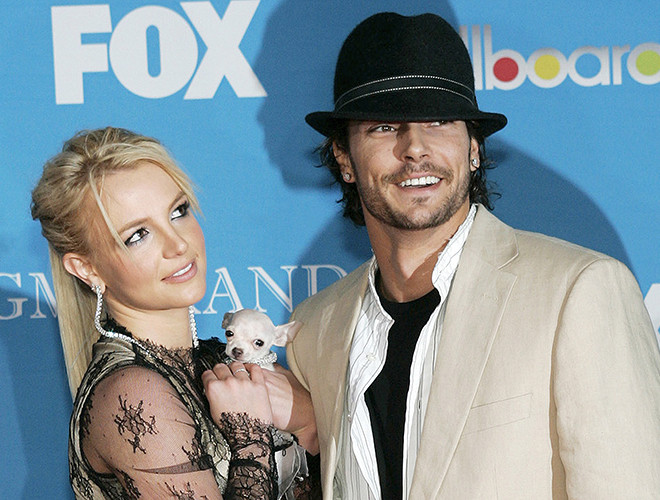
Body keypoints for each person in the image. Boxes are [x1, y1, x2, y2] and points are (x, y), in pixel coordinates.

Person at [286, 12, 660, 499]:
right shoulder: (315, 328)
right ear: (344, 158)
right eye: (384, 126)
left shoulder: (579, 290)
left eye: (439, 121)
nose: (415, 148)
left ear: (474, 148)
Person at [31, 127, 315, 499]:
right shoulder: (134, 394)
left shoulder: (217, 358)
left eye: (178, 211)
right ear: (87, 269)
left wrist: (309, 420)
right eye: (138, 235)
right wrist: (250, 438)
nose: (178, 244)